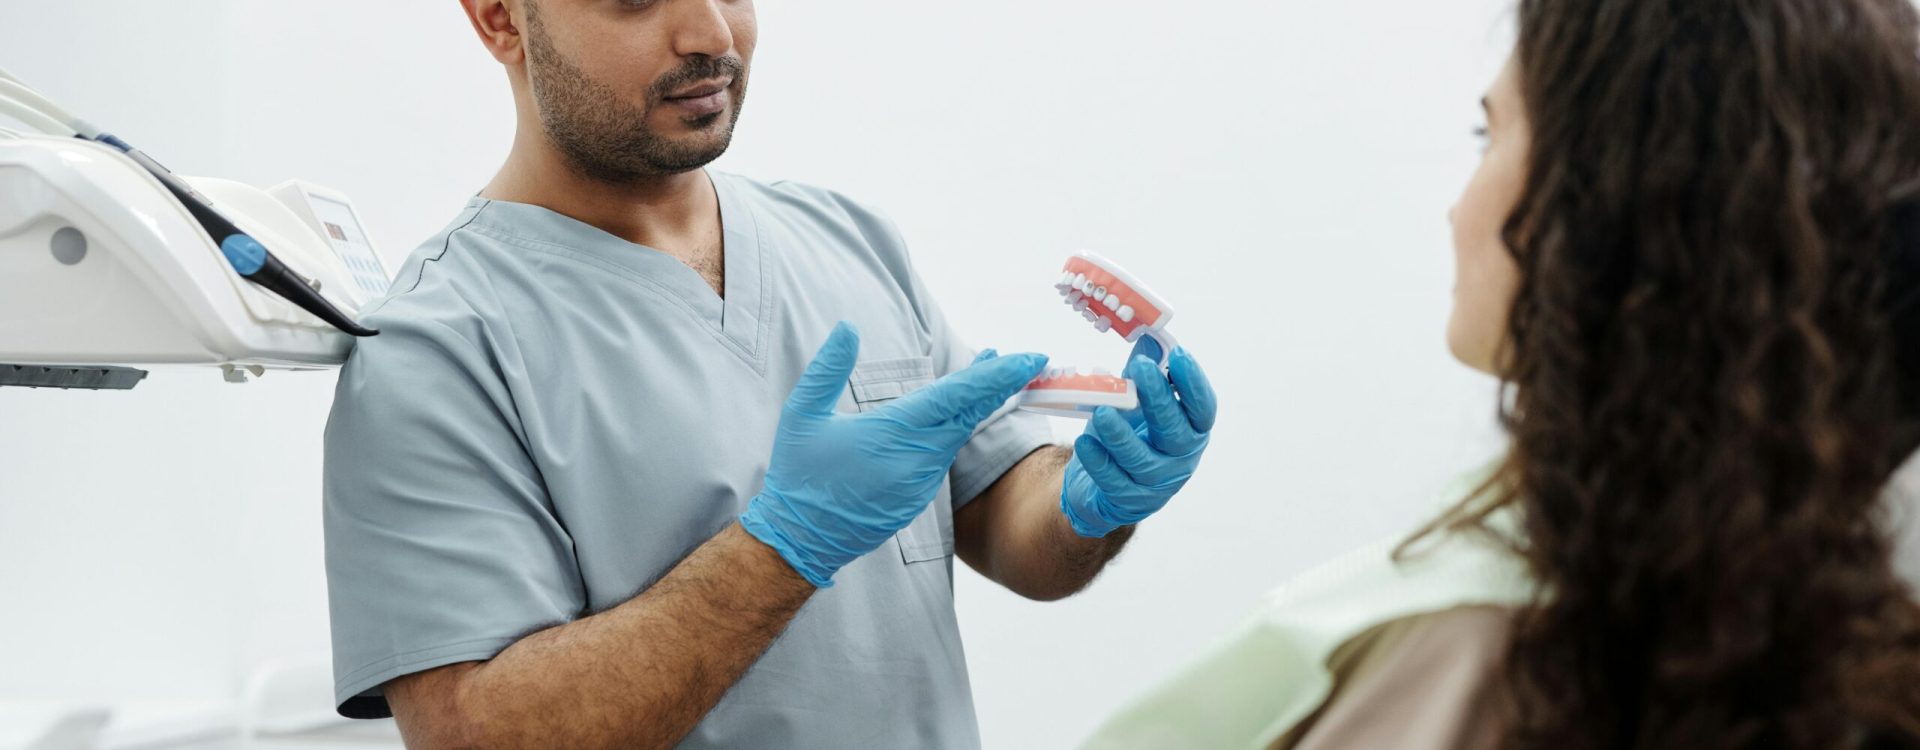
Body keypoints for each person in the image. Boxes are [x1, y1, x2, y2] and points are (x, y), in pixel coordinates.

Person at [319, 1, 1219, 748]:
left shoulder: (849, 242)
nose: (711, 32)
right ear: (499, 19)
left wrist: (1091, 499)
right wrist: (784, 547)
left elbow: (1002, 522)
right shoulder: (435, 345)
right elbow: (476, 732)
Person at [1083, 0, 1920, 747]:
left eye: (1490, 135)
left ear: (1610, 201)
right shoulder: (1834, 608)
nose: (1456, 205)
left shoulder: (1484, 650)